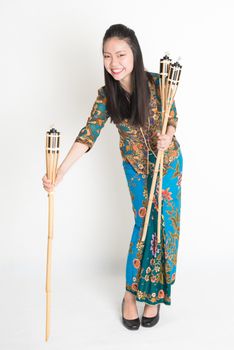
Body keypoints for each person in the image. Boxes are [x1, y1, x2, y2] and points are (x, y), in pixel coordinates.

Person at [42, 24, 183, 331]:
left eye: (120, 54)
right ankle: (130, 295)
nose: (114, 62)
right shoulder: (106, 96)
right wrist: (60, 173)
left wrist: (168, 137)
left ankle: (154, 296)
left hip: (168, 164)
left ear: (134, 53)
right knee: (143, 224)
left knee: (165, 226)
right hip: (135, 167)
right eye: (107, 56)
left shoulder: (158, 83)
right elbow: (87, 135)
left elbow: (172, 117)